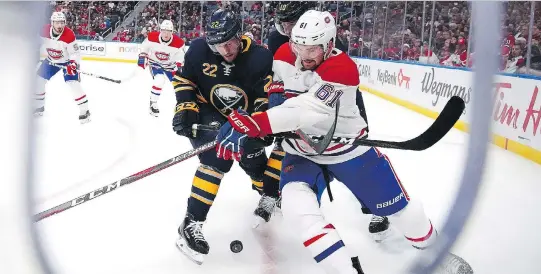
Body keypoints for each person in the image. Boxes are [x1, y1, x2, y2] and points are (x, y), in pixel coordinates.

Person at [215, 10, 473, 274]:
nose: (303, 55)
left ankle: (436, 251)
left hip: (348, 152)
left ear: (329, 45)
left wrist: (260, 123)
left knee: (402, 213)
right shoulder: (283, 55)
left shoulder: (342, 69)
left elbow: (305, 110)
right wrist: (247, 117)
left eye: (312, 48)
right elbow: (271, 92)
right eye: (298, 45)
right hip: (302, 153)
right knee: (296, 210)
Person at [258, 1, 391, 241]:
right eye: (284, 25)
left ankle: (375, 208)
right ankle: (274, 194)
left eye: (292, 24)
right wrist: (277, 112)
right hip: (298, 102)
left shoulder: (329, 42)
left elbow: (337, 84)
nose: (288, 31)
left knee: (356, 153)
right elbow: (278, 79)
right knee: (285, 147)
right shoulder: (277, 41)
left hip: (334, 100)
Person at [171, 9, 274, 265]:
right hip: (209, 113)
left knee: (253, 160)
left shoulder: (260, 58)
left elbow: (264, 97)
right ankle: (191, 222)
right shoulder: (197, 50)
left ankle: (268, 192)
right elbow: (184, 80)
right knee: (217, 160)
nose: (225, 51)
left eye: (229, 43)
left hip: (245, 119)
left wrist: (262, 125)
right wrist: (186, 107)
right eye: (218, 45)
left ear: (239, 35)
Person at [36, 11, 90, 123]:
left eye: (62, 22)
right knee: (38, 80)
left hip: (67, 62)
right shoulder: (44, 30)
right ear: (52, 23)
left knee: (73, 83)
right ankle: (39, 107)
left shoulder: (69, 34)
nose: (59, 25)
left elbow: (75, 53)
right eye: (57, 23)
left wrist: (73, 64)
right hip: (51, 60)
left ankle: (85, 111)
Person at [137, 19, 186, 117]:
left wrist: (180, 65)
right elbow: (144, 47)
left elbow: (181, 56)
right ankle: (153, 103)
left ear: (172, 32)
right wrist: (142, 56)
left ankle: (185, 107)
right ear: (160, 30)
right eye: (164, 31)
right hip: (155, 63)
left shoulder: (179, 43)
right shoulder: (152, 37)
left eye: (168, 31)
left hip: (170, 66)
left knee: (181, 85)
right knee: (159, 80)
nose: (166, 34)